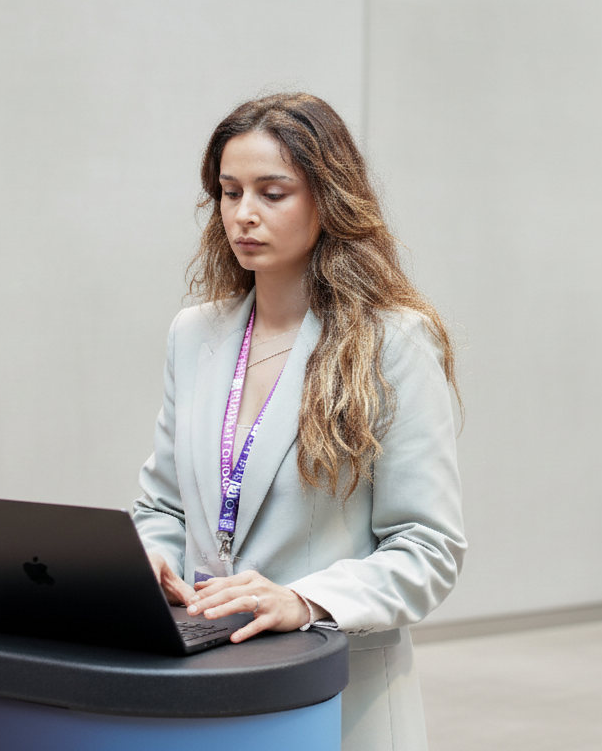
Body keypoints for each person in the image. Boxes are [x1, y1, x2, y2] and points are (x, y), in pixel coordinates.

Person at [132, 92, 466, 751]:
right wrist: (152, 558)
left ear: (328, 200)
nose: (244, 214)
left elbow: (428, 546)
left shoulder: (394, 342)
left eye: (272, 193)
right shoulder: (193, 335)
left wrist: (303, 600)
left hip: (335, 698)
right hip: (209, 685)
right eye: (230, 193)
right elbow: (163, 506)